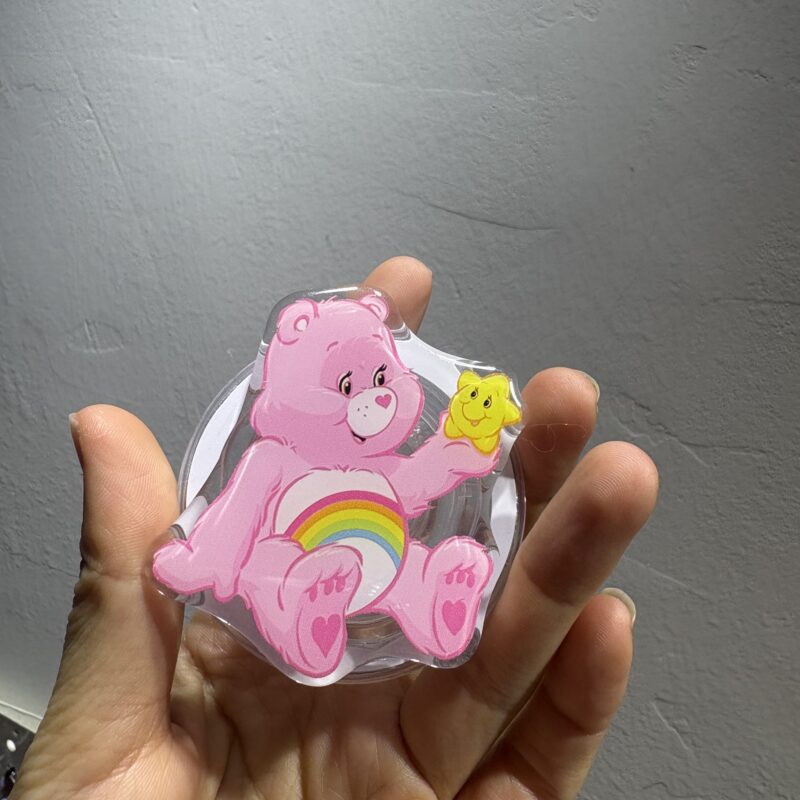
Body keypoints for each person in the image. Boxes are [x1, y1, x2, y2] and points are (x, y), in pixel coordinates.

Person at [11, 257, 658, 800]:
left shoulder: (381, 469)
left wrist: (462, 448)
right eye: (346, 385)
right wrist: (203, 559)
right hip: (297, 555)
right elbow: (238, 513)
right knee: (271, 568)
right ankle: (298, 609)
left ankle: (434, 597)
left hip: (381, 562)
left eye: (380, 379)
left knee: (409, 571)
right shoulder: (274, 458)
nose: (373, 398)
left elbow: (420, 481)